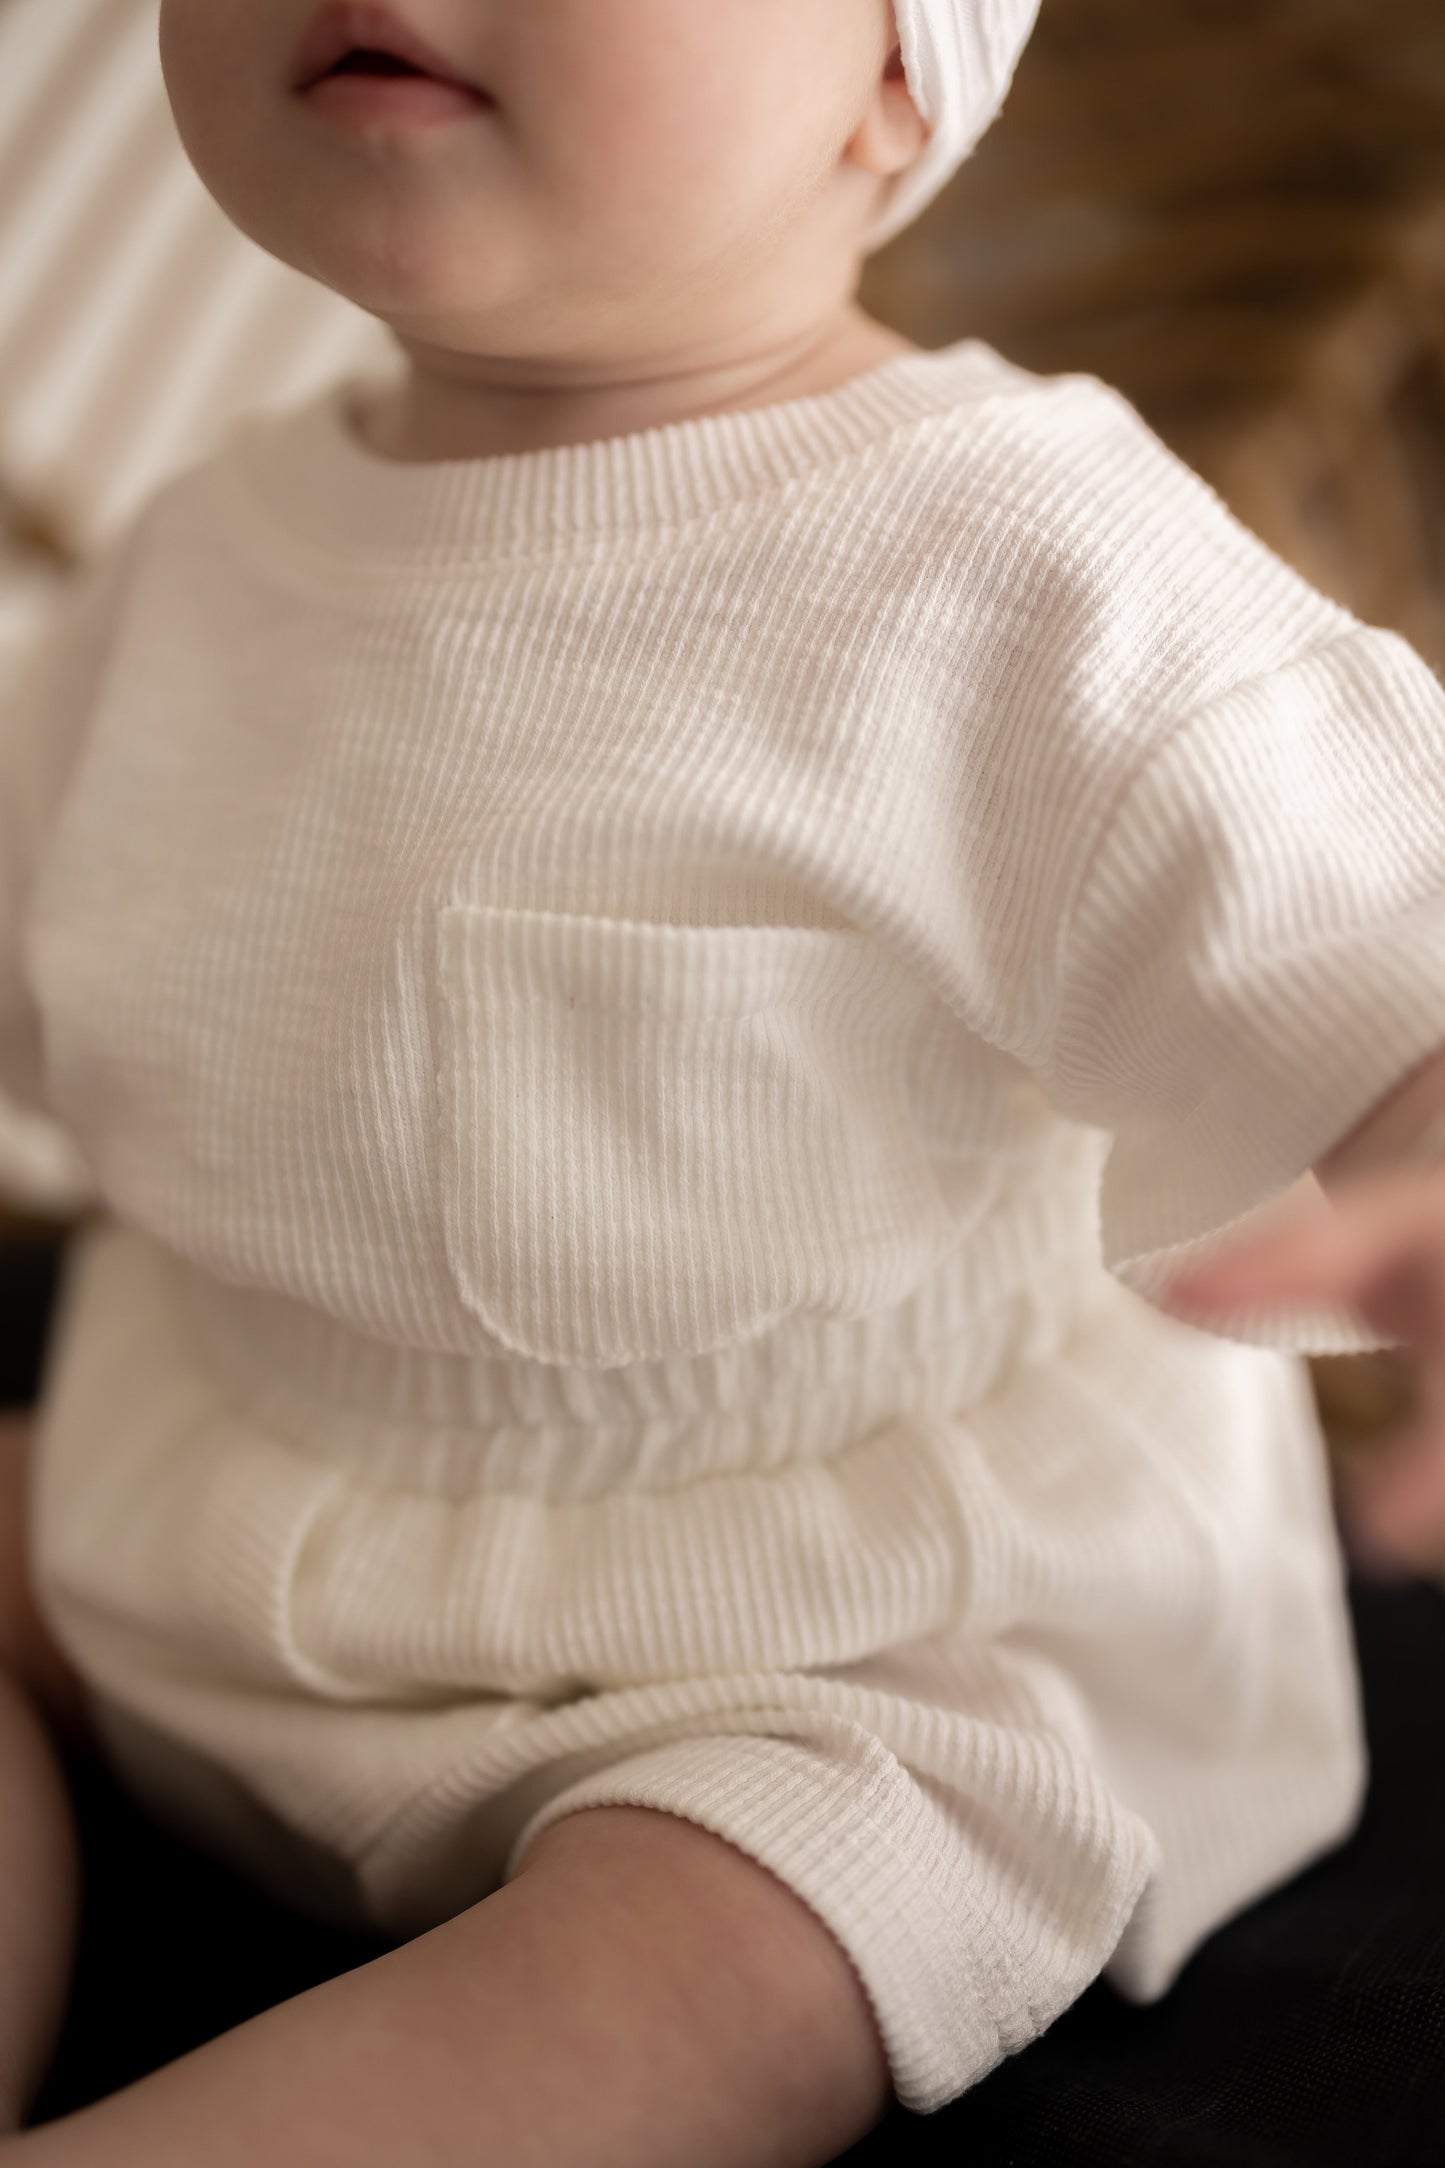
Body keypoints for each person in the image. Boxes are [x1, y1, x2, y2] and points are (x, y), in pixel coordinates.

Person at [3, 3, 1445, 2161]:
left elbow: (1377, 934)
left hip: (834, 1632)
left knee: (730, 1944)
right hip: (224, 1492)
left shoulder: (1021, 561)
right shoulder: (198, 557)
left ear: (898, 74)